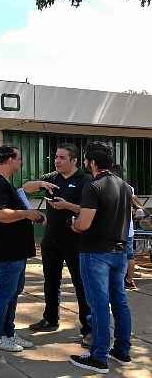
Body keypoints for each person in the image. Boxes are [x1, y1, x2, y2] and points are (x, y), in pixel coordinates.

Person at [70, 142, 133, 374]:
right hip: (119, 252)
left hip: (95, 253)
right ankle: (122, 350)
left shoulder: (93, 186)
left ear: (92, 163)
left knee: (98, 305)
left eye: (87, 161)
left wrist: (74, 224)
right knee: (120, 302)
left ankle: (98, 356)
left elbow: (84, 223)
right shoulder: (125, 187)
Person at [0, 145, 52, 352]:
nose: (21, 162)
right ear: (10, 160)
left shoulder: (5, 183)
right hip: (7, 251)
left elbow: (19, 195)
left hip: (16, 250)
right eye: (19, 158)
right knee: (4, 293)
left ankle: (8, 332)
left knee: (13, 293)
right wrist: (27, 214)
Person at [24, 143, 92, 346]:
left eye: (62, 158)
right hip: (51, 239)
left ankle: (88, 328)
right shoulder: (51, 178)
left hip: (75, 241)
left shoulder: (85, 181)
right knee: (50, 281)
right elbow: (25, 188)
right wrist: (41, 185)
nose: (57, 161)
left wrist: (67, 206)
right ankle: (50, 318)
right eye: (56, 157)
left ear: (74, 161)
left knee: (81, 284)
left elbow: (89, 210)